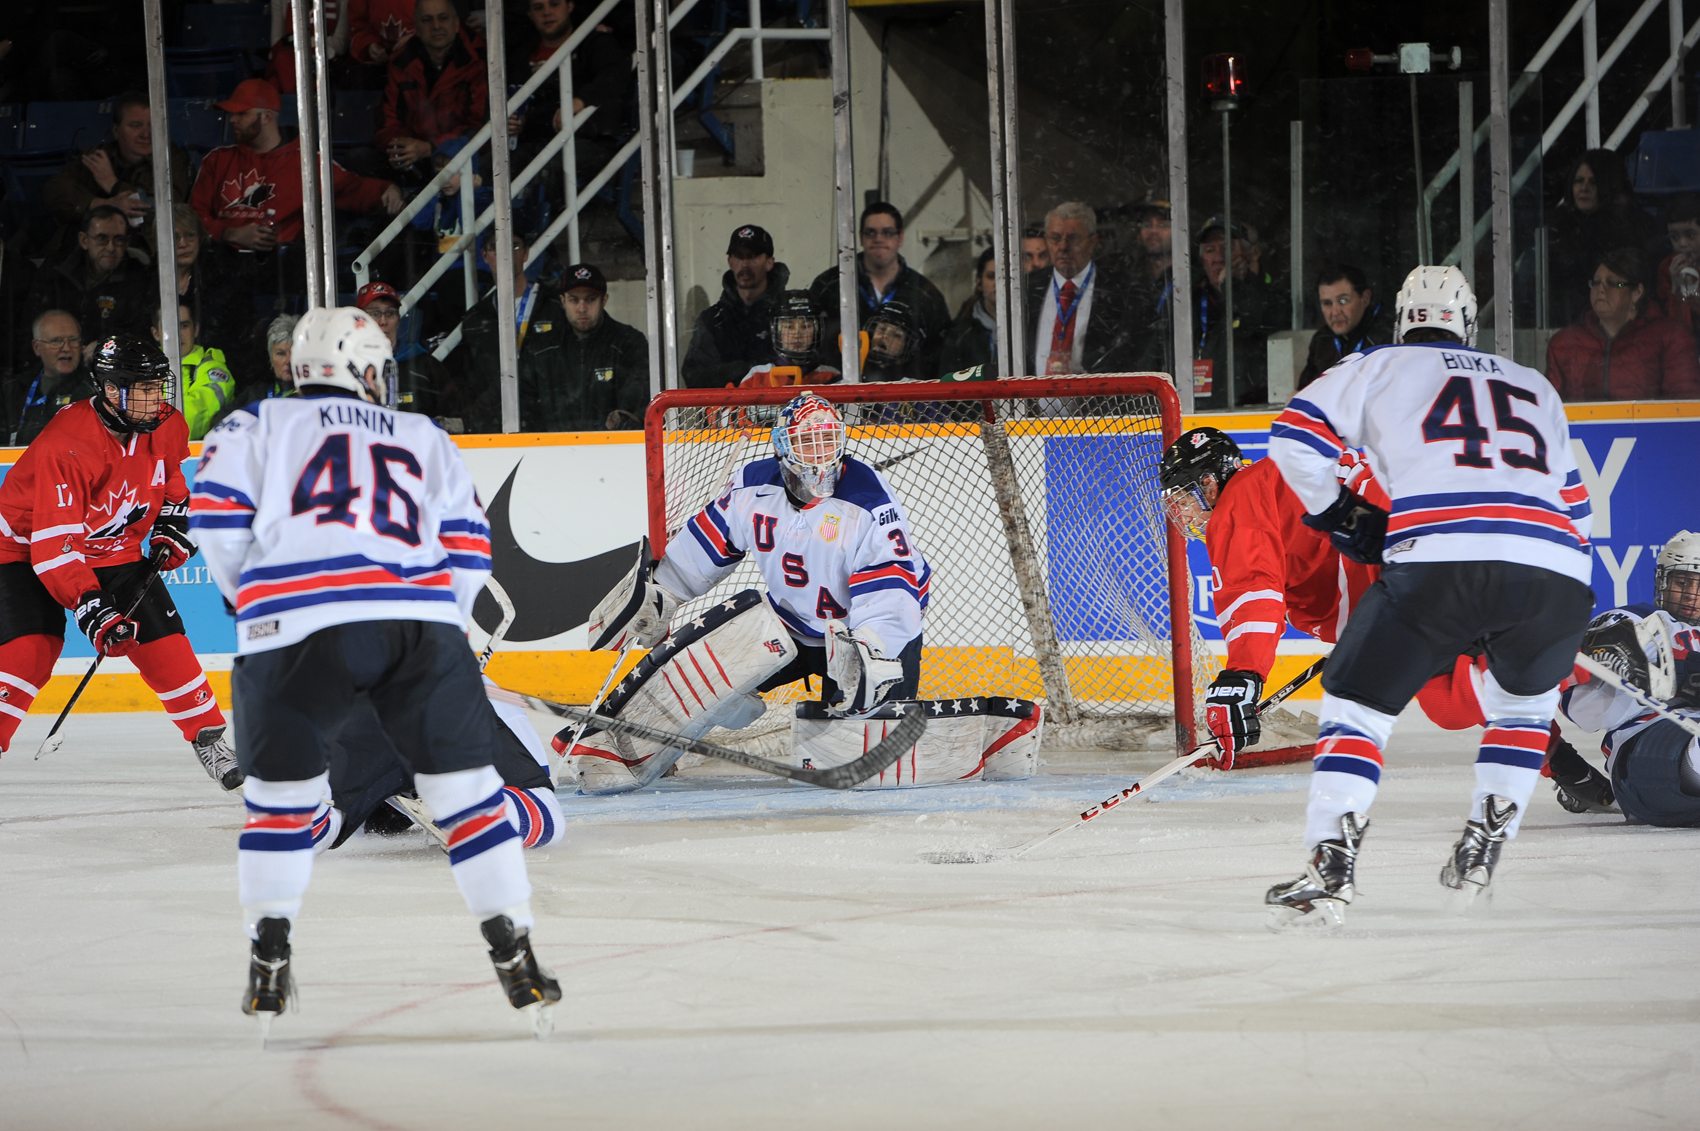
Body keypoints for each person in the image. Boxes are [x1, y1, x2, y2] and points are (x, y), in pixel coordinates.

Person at [188, 306, 560, 1031]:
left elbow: (215, 517)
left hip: (291, 628)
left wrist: (255, 605)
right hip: (411, 623)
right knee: (470, 794)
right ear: (365, 369)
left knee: (281, 805)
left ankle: (268, 957)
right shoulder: (421, 433)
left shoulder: (252, 424)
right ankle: (513, 951)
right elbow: (468, 546)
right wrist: (440, 634)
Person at [1263, 265, 1595, 926]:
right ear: (1468, 325)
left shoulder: (1379, 364)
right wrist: (1550, 597)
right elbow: (1578, 511)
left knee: (1357, 706)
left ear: (1399, 320)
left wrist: (1343, 517)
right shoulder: (1534, 384)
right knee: (1523, 708)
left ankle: (1331, 869)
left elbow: (1292, 438)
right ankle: (1481, 853)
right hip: (1553, 570)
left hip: (1437, 561)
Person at [563, 392, 930, 790]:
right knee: (692, 677)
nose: (820, 454)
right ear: (783, 446)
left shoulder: (869, 502)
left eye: (827, 440)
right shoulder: (753, 487)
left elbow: (893, 592)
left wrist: (871, 647)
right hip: (787, 622)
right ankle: (628, 750)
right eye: (808, 442)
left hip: (856, 637)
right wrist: (663, 592)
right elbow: (705, 546)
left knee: (853, 765)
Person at [1159, 426, 1489, 771]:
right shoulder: (1274, 487)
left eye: (1184, 498)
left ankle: (1548, 674)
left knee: (1453, 699)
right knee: (1453, 696)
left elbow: (1252, 590)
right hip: (1437, 539)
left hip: (1414, 553)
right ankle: (1553, 756)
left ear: (1209, 484)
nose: (1184, 514)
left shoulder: (1240, 496)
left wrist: (1241, 676)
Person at [0, 334, 240, 789]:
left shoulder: (165, 424)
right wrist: (91, 604)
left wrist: (173, 519)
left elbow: (171, 479)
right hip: (22, 550)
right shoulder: (66, 445)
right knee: (30, 651)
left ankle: (208, 736)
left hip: (113, 548)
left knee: (165, 642)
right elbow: (55, 546)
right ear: (111, 391)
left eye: (158, 387)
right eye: (144, 389)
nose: (157, 400)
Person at [191, 78, 403, 299]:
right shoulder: (217, 160)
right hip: (220, 264)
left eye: (241, 114)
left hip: (278, 271)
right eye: (231, 113)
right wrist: (229, 233)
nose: (232, 119)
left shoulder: (307, 162)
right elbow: (192, 218)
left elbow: (354, 188)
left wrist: (387, 189)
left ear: (267, 117)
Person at [1553, 533, 1700, 827]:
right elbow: (1583, 710)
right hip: (1648, 748)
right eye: (1682, 582)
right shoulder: (1635, 620)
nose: (1690, 594)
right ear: (1664, 581)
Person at [40, 90, 191, 264]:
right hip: (95, 251)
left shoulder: (172, 159)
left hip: (147, 254)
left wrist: (113, 184)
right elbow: (53, 190)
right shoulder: (99, 156)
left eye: (153, 125)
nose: (146, 134)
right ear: (116, 130)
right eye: (136, 125)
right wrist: (102, 203)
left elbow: (164, 209)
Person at [808, 203, 951, 380]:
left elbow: (940, 355)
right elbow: (811, 345)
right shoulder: (829, 285)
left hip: (905, 399)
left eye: (888, 232)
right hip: (841, 395)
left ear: (900, 238)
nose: (878, 239)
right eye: (870, 232)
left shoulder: (925, 293)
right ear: (860, 238)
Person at [1544, 246, 1700, 401]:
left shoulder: (1670, 338)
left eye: (1613, 283)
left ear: (1637, 292)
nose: (1601, 290)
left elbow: (1683, 409)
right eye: (1596, 283)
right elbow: (1549, 410)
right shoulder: (1564, 344)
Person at [516, 262, 649, 431]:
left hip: (614, 451)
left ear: (604, 300)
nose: (582, 308)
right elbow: (525, 408)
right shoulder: (540, 348)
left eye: (590, 299)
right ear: (563, 301)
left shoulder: (629, 343)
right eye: (574, 299)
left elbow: (637, 409)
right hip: (550, 452)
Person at [374, 0, 488, 188]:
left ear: (456, 24)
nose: (436, 26)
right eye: (427, 20)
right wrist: (399, 147)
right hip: (414, 158)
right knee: (361, 159)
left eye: (443, 18)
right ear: (416, 27)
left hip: (461, 156)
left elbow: (478, 126)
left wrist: (431, 148)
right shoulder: (401, 62)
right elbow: (387, 121)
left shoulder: (478, 59)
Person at [1024, 201, 1144, 377]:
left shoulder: (1122, 292)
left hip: (1100, 401)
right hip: (1031, 402)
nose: (1063, 247)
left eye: (1073, 238)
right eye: (1055, 238)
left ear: (1093, 241)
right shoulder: (1027, 288)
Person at [1546, 148, 1659, 327]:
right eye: (1578, 181)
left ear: (1609, 184)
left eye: (1593, 182)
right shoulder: (1557, 226)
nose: (1584, 188)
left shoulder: (1636, 228)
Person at [455, 231, 554, 432]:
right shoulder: (475, 319)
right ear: (484, 256)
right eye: (495, 247)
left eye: (514, 245)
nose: (505, 253)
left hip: (549, 428)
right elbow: (471, 383)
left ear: (526, 253)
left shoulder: (555, 306)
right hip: (495, 430)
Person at [25, 205, 158, 351]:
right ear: (84, 240)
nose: (111, 248)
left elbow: (143, 333)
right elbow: (32, 325)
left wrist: (105, 346)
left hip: (115, 365)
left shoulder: (138, 278)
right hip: (59, 361)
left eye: (119, 240)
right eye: (102, 239)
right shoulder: (56, 271)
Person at [682, 224, 791, 388]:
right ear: (730, 261)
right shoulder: (712, 321)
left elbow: (803, 368)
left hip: (782, 410)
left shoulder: (790, 316)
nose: (745, 264)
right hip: (725, 412)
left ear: (769, 263)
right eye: (739, 257)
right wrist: (747, 370)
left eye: (753, 256)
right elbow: (694, 376)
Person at [1192, 215, 1280, 408]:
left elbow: (1255, 322)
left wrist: (1232, 286)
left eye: (1227, 248)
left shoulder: (1274, 295)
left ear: (1252, 253)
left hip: (1255, 411)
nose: (1218, 258)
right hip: (1202, 411)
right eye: (1209, 250)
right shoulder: (1192, 301)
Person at [354, 280, 456, 425]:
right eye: (375, 313)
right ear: (360, 321)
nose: (383, 321)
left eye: (390, 313)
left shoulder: (426, 366)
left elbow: (455, 416)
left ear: (398, 320)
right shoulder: (348, 370)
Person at [1297, 264, 1394, 390]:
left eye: (1343, 301)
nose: (1335, 312)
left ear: (1365, 298)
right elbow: (1305, 392)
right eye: (1327, 303)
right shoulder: (1321, 340)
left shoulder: (1388, 338)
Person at [151, 302, 235, 440]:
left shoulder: (213, 368)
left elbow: (192, 420)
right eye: (170, 326)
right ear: (156, 333)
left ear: (195, 329)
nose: (178, 334)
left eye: (184, 326)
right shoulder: (143, 370)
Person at [7, 311, 88, 446]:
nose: (67, 348)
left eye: (73, 340)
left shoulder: (93, 390)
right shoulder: (13, 390)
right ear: (37, 347)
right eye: (56, 341)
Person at [731, 289, 840, 389]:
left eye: (805, 326)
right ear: (776, 331)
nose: (797, 334)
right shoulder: (757, 376)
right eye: (789, 326)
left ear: (818, 330)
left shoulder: (832, 377)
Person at [216, 313, 298, 428]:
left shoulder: (310, 397)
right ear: (270, 358)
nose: (288, 361)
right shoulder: (255, 393)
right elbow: (219, 423)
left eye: (295, 353)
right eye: (281, 353)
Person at [938, 247, 998, 376]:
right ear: (979, 283)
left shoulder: (1029, 323)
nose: (998, 283)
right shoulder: (959, 334)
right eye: (991, 276)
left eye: (1006, 276)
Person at [1655, 192, 1700, 335]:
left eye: (1690, 235)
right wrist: (1677, 287)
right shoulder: (1667, 268)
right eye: (1674, 237)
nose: (1682, 243)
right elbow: (1673, 326)